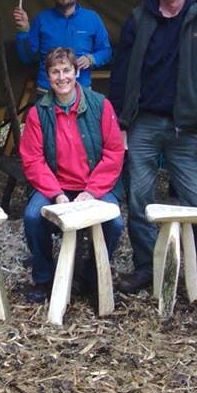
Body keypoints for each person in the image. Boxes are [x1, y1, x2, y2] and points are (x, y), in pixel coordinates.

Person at [109, 0, 197, 301]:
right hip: (143, 122)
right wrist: (120, 120)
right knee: (140, 198)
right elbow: (120, 73)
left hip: (187, 127)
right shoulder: (137, 19)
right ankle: (147, 266)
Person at [19, 47, 125, 304]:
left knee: (115, 223)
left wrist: (91, 192)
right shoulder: (38, 112)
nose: (61, 77)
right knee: (33, 217)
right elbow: (32, 159)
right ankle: (44, 278)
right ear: (47, 77)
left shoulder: (101, 105)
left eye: (67, 70)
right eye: (55, 72)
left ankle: (91, 273)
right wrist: (55, 194)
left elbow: (114, 152)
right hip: (56, 186)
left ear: (77, 72)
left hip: (95, 186)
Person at [13, 0, 113, 91]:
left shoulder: (92, 18)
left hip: (81, 92)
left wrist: (91, 59)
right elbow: (27, 58)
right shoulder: (41, 19)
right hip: (47, 92)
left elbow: (106, 51)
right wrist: (24, 30)